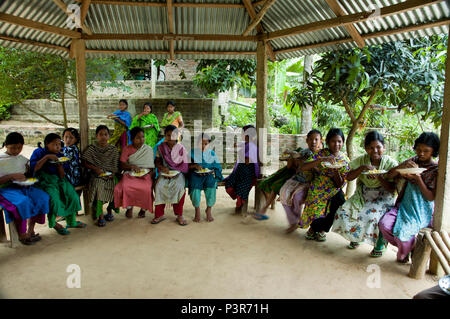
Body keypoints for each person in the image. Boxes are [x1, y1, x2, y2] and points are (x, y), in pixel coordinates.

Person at [332, 131, 398, 255]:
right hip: (363, 194)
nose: (375, 151)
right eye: (370, 148)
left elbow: (392, 189)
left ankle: (380, 244)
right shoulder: (362, 160)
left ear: (384, 147)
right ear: (366, 149)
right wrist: (362, 168)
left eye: (378, 147)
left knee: (372, 217)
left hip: (383, 196)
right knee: (344, 211)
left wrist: (379, 178)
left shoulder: (391, 163)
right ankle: (356, 237)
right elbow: (349, 177)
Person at [378, 132, 440, 263]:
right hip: (404, 205)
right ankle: (407, 247)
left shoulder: (435, 170)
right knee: (384, 225)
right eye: (418, 149)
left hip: (422, 210)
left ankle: (404, 253)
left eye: (426, 151)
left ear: (434, 151)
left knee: (403, 233)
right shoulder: (412, 161)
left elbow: (430, 197)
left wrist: (418, 177)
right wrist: (402, 166)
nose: (421, 153)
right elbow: (389, 175)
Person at [298, 128, 350, 242]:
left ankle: (322, 230)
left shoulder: (344, 160)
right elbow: (303, 167)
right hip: (318, 186)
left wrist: (335, 171)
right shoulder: (321, 153)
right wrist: (321, 160)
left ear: (343, 142)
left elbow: (340, 184)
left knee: (340, 201)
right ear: (327, 142)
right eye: (333, 141)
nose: (336, 144)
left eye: (339, 141)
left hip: (334, 189)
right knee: (315, 203)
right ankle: (313, 228)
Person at [30, 133, 86, 235]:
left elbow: (62, 175)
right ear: (47, 144)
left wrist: (59, 165)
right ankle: (53, 223)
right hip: (44, 181)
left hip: (59, 180)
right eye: (55, 144)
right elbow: (34, 168)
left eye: (59, 144)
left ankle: (71, 221)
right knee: (54, 198)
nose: (58, 147)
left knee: (72, 195)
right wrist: (47, 157)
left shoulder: (60, 155)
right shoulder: (39, 152)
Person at [0, 132, 49, 245]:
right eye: (13, 148)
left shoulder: (22, 159)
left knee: (42, 197)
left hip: (22, 187)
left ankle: (30, 229)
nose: (16, 151)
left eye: (19, 147)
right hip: (5, 189)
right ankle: (22, 234)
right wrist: (11, 176)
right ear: (6, 145)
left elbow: (28, 173)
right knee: (23, 202)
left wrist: (26, 177)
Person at [278, 129, 322, 232]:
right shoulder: (304, 152)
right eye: (311, 139)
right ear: (307, 141)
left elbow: (321, 172)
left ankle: (297, 220)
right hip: (297, 180)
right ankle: (293, 221)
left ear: (321, 141)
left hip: (309, 183)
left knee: (297, 198)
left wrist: (311, 166)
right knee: (283, 193)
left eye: (316, 139)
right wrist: (292, 156)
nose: (313, 142)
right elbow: (296, 158)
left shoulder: (322, 155)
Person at [81, 125, 120, 227]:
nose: (103, 137)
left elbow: (115, 166)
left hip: (110, 175)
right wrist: (95, 169)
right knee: (98, 186)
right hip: (96, 176)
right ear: (96, 136)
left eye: (105, 134)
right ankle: (101, 215)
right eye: (100, 134)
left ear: (109, 136)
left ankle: (110, 210)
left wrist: (113, 174)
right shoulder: (92, 149)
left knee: (115, 184)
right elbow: (84, 162)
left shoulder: (113, 149)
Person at [114, 127, 155, 219]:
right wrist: (131, 167)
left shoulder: (148, 149)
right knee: (126, 187)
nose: (141, 140)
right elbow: (122, 164)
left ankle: (143, 209)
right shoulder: (127, 149)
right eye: (138, 138)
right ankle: (129, 208)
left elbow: (151, 166)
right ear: (132, 139)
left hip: (145, 174)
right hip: (130, 174)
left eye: (143, 137)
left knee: (147, 189)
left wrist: (150, 174)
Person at [153, 125, 189, 226]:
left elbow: (185, 164)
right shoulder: (160, 148)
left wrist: (177, 170)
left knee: (179, 187)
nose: (171, 138)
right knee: (159, 186)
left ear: (177, 135)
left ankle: (179, 214)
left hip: (178, 173)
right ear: (165, 136)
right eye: (168, 135)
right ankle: (159, 214)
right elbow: (157, 162)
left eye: (173, 135)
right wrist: (162, 168)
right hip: (165, 172)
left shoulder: (181, 148)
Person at [255, 146, 304, 219]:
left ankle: (265, 207)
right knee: (264, 182)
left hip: (292, 176)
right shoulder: (292, 157)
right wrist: (290, 159)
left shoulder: (303, 159)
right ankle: (270, 202)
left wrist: (294, 163)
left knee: (275, 186)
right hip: (284, 173)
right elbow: (288, 167)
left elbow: (296, 170)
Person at [224, 125, 261, 214]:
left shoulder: (252, 146)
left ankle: (240, 204)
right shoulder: (246, 143)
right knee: (229, 183)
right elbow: (237, 145)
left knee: (241, 186)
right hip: (240, 171)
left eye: (242, 133)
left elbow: (247, 162)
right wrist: (237, 146)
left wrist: (240, 153)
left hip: (247, 172)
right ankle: (239, 203)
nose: (241, 134)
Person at [188, 133, 223, 222]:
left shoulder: (211, 153)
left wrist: (212, 171)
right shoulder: (191, 152)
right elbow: (186, 166)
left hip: (208, 175)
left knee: (211, 186)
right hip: (195, 175)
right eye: (201, 144)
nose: (203, 146)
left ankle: (209, 210)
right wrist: (194, 166)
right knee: (195, 189)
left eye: (206, 144)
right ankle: (197, 210)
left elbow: (217, 166)